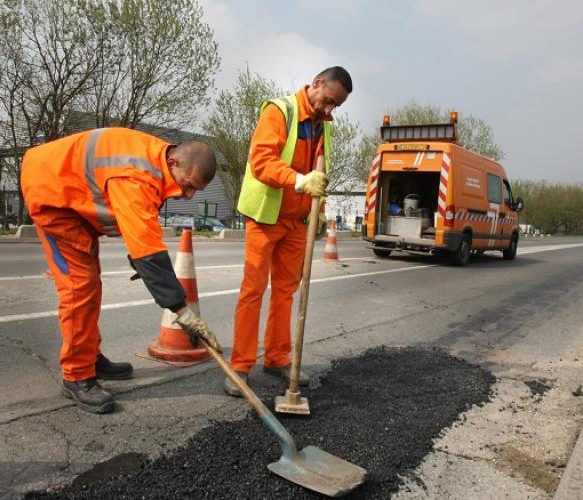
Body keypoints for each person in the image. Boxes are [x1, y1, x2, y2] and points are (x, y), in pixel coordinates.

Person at [21, 127, 222, 413]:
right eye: (188, 185)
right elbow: (147, 250)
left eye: (194, 191)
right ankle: (77, 376)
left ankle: (89, 358)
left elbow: (141, 234)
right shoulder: (136, 177)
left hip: (70, 196)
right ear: (175, 162)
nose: (187, 195)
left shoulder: (159, 161)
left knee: (90, 287)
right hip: (53, 199)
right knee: (79, 289)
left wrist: (146, 262)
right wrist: (184, 313)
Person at [226, 67, 353, 396]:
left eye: (336, 106)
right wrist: (298, 180)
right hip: (266, 217)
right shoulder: (279, 111)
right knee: (253, 291)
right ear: (316, 83)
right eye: (328, 101)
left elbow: (320, 175)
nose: (329, 110)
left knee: (285, 293)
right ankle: (240, 367)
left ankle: (277, 358)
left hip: (297, 223)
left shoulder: (323, 127)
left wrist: (320, 211)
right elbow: (262, 161)